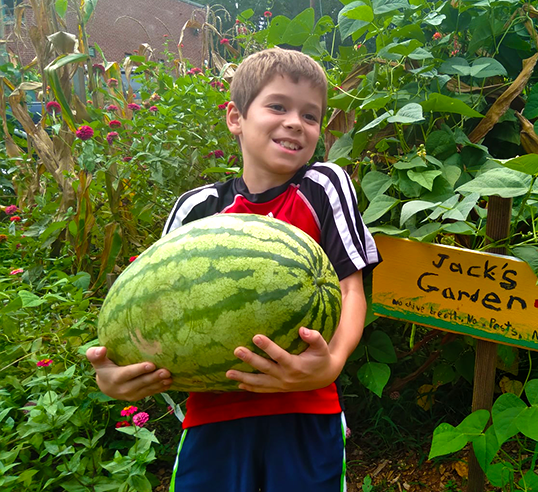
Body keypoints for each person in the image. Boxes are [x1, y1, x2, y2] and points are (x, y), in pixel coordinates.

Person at [87, 47, 380, 492]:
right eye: (277, 106)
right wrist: (115, 371)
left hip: (307, 406)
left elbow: (350, 287)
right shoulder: (197, 207)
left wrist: (332, 364)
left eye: (311, 115)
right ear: (235, 117)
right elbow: (152, 306)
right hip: (212, 416)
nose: (295, 123)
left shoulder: (323, 184)